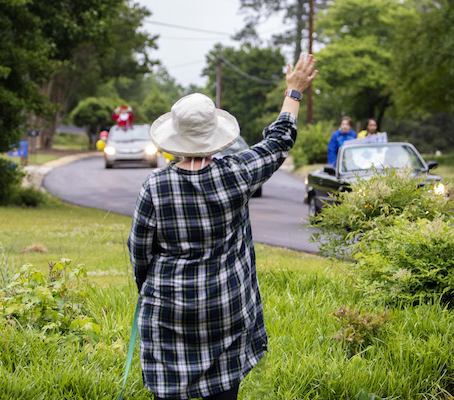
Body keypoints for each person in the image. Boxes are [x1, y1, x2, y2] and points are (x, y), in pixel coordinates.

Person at [127, 54, 318, 400]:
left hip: (168, 309)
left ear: (175, 137)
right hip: (225, 306)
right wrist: (294, 91)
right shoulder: (236, 173)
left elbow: (140, 253)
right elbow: (279, 141)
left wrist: (150, 288)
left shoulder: (154, 186)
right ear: (214, 135)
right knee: (223, 391)